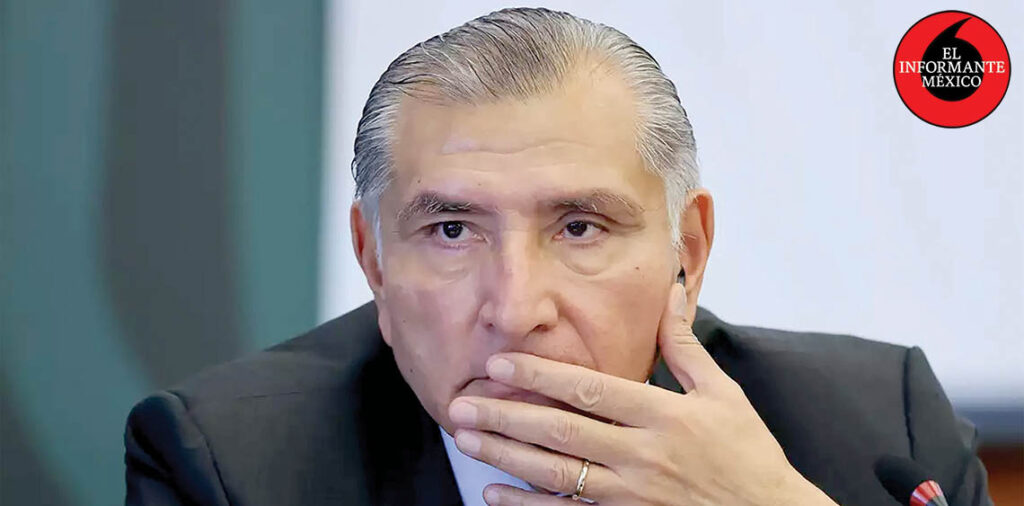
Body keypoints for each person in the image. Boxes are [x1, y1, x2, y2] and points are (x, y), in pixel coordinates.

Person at [124, 7, 992, 506]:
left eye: (579, 227)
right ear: (374, 263)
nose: (515, 308)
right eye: (452, 230)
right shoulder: (228, 464)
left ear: (687, 251)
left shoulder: (879, 427)